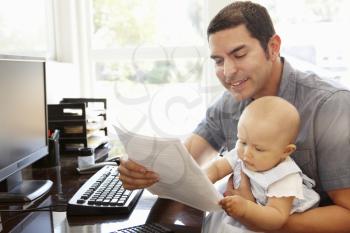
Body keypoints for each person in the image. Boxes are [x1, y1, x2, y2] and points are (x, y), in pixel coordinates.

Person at [118, 1, 350, 232]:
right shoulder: (228, 104)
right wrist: (143, 171)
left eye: (239, 54)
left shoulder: (330, 106)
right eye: (218, 60)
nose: (227, 72)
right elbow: (184, 164)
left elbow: (347, 215)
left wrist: (256, 216)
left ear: (273, 46)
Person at [203, 96, 319, 233]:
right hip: (233, 209)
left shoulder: (285, 177)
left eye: (259, 149)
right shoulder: (244, 152)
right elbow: (216, 168)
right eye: (242, 142)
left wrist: (246, 208)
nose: (246, 153)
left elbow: (276, 218)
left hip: (261, 223)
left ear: (285, 151)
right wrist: (201, 180)